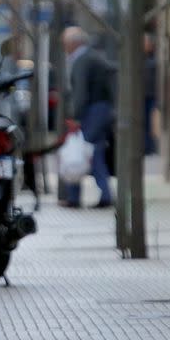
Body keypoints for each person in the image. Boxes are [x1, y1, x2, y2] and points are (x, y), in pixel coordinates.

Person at [62, 26, 114, 208]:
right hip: (101, 110)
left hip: (92, 111)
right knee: (94, 152)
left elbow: (80, 92)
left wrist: (75, 116)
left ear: (73, 43)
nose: (64, 47)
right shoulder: (93, 57)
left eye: (65, 43)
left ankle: (75, 197)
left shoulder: (81, 60)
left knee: (82, 152)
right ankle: (104, 195)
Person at [143, 33, 157, 155]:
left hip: (151, 96)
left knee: (149, 123)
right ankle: (145, 146)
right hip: (141, 97)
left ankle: (150, 147)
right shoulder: (137, 60)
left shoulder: (154, 60)